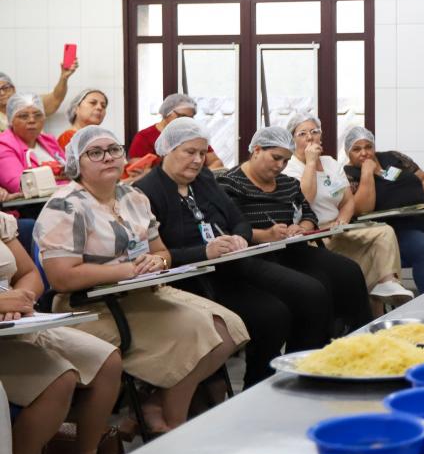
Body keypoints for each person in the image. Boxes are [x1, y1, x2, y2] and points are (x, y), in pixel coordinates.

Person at [34, 126, 248, 434]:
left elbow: (162, 254)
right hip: (91, 306)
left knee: (229, 329)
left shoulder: (133, 196)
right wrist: (125, 270)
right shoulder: (65, 205)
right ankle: (174, 423)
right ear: (77, 163)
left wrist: (155, 262)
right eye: (95, 152)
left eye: (114, 150)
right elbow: (63, 277)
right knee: (196, 333)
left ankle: (155, 402)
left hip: (142, 292)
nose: (107, 157)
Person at [134, 118, 335, 387]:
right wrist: (205, 251)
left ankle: (303, 374)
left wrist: (239, 237)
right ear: (167, 150)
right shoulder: (147, 191)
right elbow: (160, 256)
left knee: (312, 292)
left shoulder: (204, 179)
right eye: (189, 152)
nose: (197, 160)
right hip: (192, 277)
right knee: (273, 314)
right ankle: (261, 384)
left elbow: (237, 218)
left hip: (233, 262)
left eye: (202, 153)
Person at [218, 126, 373, 333]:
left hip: (288, 248)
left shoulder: (287, 183)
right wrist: (264, 235)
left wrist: (300, 227)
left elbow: (309, 213)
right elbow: (225, 229)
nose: (280, 166)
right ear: (256, 150)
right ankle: (309, 348)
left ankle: (359, 335)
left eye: (285, 161)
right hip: (254, 254)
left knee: (349, 270)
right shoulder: (229, 184)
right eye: (275, 158)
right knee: (316, 287)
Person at [0, 211, 122, 454]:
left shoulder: (2, 222)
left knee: (107, 361)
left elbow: (29, 274)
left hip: (18, 322)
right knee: (58, 379)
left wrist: (21, 299)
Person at [283, 113, 412, 314]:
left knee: (383, 232)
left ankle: (388, 285)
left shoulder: (331, 163)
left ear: (321, 137)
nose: (310, 137)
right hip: (313, 236)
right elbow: (304, 200)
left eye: (314, 132)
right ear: (292, 140)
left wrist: (342, 220)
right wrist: (310, 163)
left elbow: (347, 201)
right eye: (302, 133)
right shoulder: (289, 166)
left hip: (338, 228)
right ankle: (368, 316)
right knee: (363, 267)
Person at [342, 127, 424, 294]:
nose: (364, 153)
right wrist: (367, 173)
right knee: (422, 248)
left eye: (368, 147)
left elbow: (422, 177)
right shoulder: (349, 174)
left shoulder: (393, 157)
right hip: (397, 230)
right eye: (357, 149)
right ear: (347, 153)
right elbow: (360, 209)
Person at [128, 94, 223, 169]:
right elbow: (136, 169)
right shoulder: (145, 137)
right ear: (166, 113)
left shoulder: (195, 135)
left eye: (190, 118)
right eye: (182, 116)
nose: (186, 121)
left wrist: (200, 179)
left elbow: (216, 162)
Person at [0, 94, 67, 197]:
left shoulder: (49, 140)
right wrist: (58, 177)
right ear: (11, 120)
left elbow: (72, 172)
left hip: (67, 199)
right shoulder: (3, 144)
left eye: (38, 115)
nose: (32, 120)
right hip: (30, 208)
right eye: (23, 116)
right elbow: (19, 184)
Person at [0, 62, 79, 132]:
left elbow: (55, 98)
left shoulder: (29, 103)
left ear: (13, 89)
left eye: (5, 88)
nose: (2, 93)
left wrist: (64, 78)